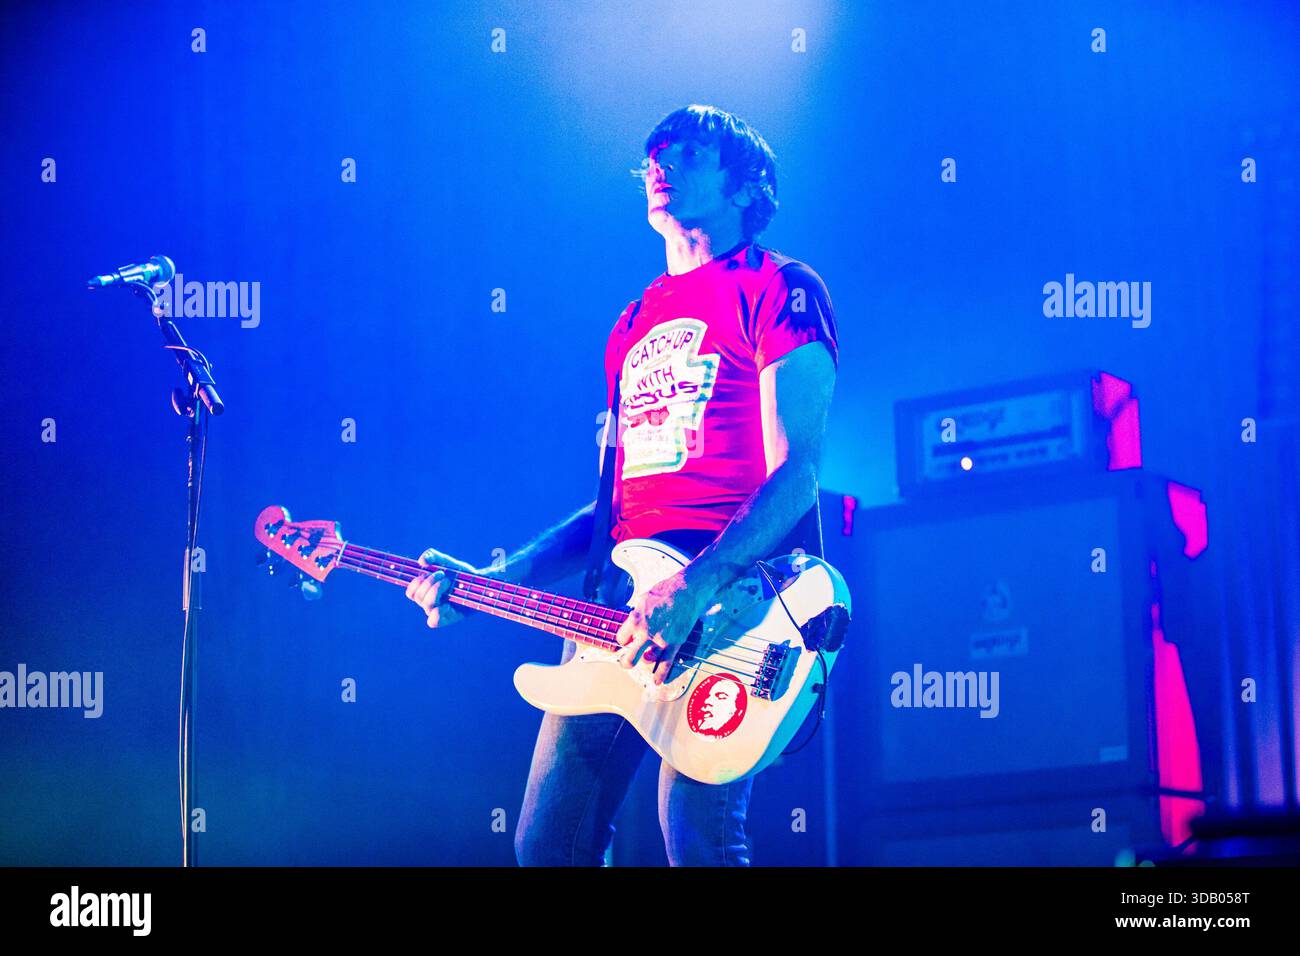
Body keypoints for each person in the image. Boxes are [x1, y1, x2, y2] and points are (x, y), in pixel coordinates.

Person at [406, 104, 839, 866]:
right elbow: (611, 508)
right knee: (548, 844)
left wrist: (696, 585)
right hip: (618, 609)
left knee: (698, 835)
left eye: (686, 152)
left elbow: (797, 470)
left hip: (731, 600)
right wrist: (500, 576)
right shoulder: (632, 322)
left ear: (743, 187)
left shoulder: (781, 286)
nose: (660, 166)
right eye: (652, 157)